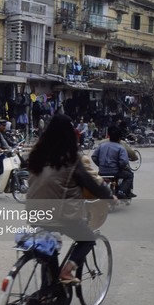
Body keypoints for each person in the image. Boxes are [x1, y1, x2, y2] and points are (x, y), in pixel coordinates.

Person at [27, 114, 113, 283]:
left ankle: (47, 292)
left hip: (34, 212)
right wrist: (110, 196)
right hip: (61, 215)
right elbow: (92, 184)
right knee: (87, 238)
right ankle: (67, 271)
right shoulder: (71, 159)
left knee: (49, 248)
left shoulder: (36, 154)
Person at [91, 126, 136, 199]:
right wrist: (119, 167)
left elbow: (94, 157)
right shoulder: (121, 147)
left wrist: (100, 165)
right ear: (119, 138)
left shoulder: (101, 145)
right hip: (115, 172)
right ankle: (122, 191)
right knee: (129, 175)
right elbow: (124, 161)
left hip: (102, 171)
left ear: (109, 136)